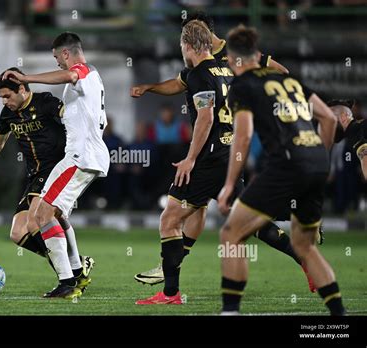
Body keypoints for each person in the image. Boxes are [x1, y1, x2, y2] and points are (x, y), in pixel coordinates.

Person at [132, 12, 317, 293]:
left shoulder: (226, 58)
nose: (181, 44)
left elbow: (277, 73)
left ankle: (170, 280)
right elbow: (181, 84)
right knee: (241, 217)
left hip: (211, 153)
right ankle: (303, 252)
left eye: (184, 39)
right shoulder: (220, 68)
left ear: (195, 37)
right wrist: (150, 88)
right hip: (229, 151)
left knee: (171, 216)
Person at [217, 25, 345, 315]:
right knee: (304, 245)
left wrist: (228, 185)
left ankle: (229, 311)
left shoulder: (243, 86)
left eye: (227, 60)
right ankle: (340, 318)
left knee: (231, 234)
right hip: (315, 163)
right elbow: (328, 118)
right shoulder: (290, 81)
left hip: (287, 164)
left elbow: (244, 135)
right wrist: (320, 159)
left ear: (237, 60)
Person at [0, 67, 94, 299]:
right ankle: (76, 266)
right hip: (34, 176)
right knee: (17, 233)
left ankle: (69, 279)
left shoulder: (45, 102)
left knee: (37, 221)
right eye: (1, 97)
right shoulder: (8, 114)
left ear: (23, 89)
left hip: (56, 169)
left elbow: (72, 117)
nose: (5, 101)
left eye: (7, 96)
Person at [2, 32, 110, 299]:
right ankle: (74, 273)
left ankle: (68, 282)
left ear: (65, 54)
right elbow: (101, 121)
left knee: (42, 215)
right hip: (79, 156)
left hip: (80, 157)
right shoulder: (92, 80)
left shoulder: (82, 72)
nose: (57, 64)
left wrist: (27, 78)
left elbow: (71, 75)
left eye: (56, 58)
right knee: (52, 214)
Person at [329, 100, 367, 180]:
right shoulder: (358, 127)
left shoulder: (354, 130)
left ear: (343, 116)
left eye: (331, 117)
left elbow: (364, 155)